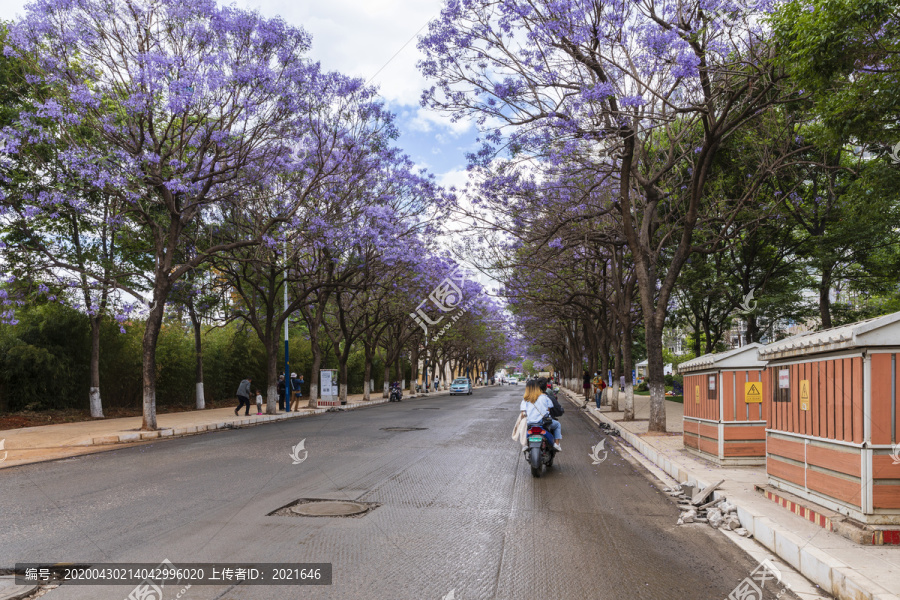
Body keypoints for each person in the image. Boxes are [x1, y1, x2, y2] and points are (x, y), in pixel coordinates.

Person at [520, 379, 562, 451]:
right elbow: (548, 410)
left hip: (530, 423)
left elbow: (523, 414)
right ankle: (557, 444)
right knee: (557, 425)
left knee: (522, 428)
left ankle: (524, 444)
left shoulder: (525, 400)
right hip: (543, 422)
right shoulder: (544, 397)